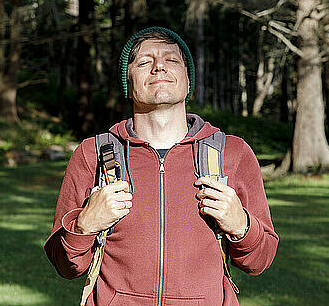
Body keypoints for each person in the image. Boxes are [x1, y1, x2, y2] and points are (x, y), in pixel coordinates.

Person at [44, 27, 279, 306]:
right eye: (144, 62)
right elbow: (65, 265)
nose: (158, 67)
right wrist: (84, 225)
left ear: (188, 82)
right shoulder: (92, 154)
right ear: (128, 85)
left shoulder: (233, 153)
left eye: (171, 60)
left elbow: (260, 260)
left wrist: (241, 226)